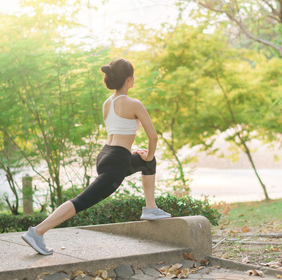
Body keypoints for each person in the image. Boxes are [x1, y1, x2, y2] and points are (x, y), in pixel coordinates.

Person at [22, 58, 171, 255]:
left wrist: (144, 156)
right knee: (81, 201)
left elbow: (119, 132)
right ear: (129, 79)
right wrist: (147, 153)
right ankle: (37, 231)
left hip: (106, 155)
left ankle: (151, 209)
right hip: (117, 161)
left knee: (149, 162)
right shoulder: (135, 104)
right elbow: (153, 136)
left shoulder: (107, 103)